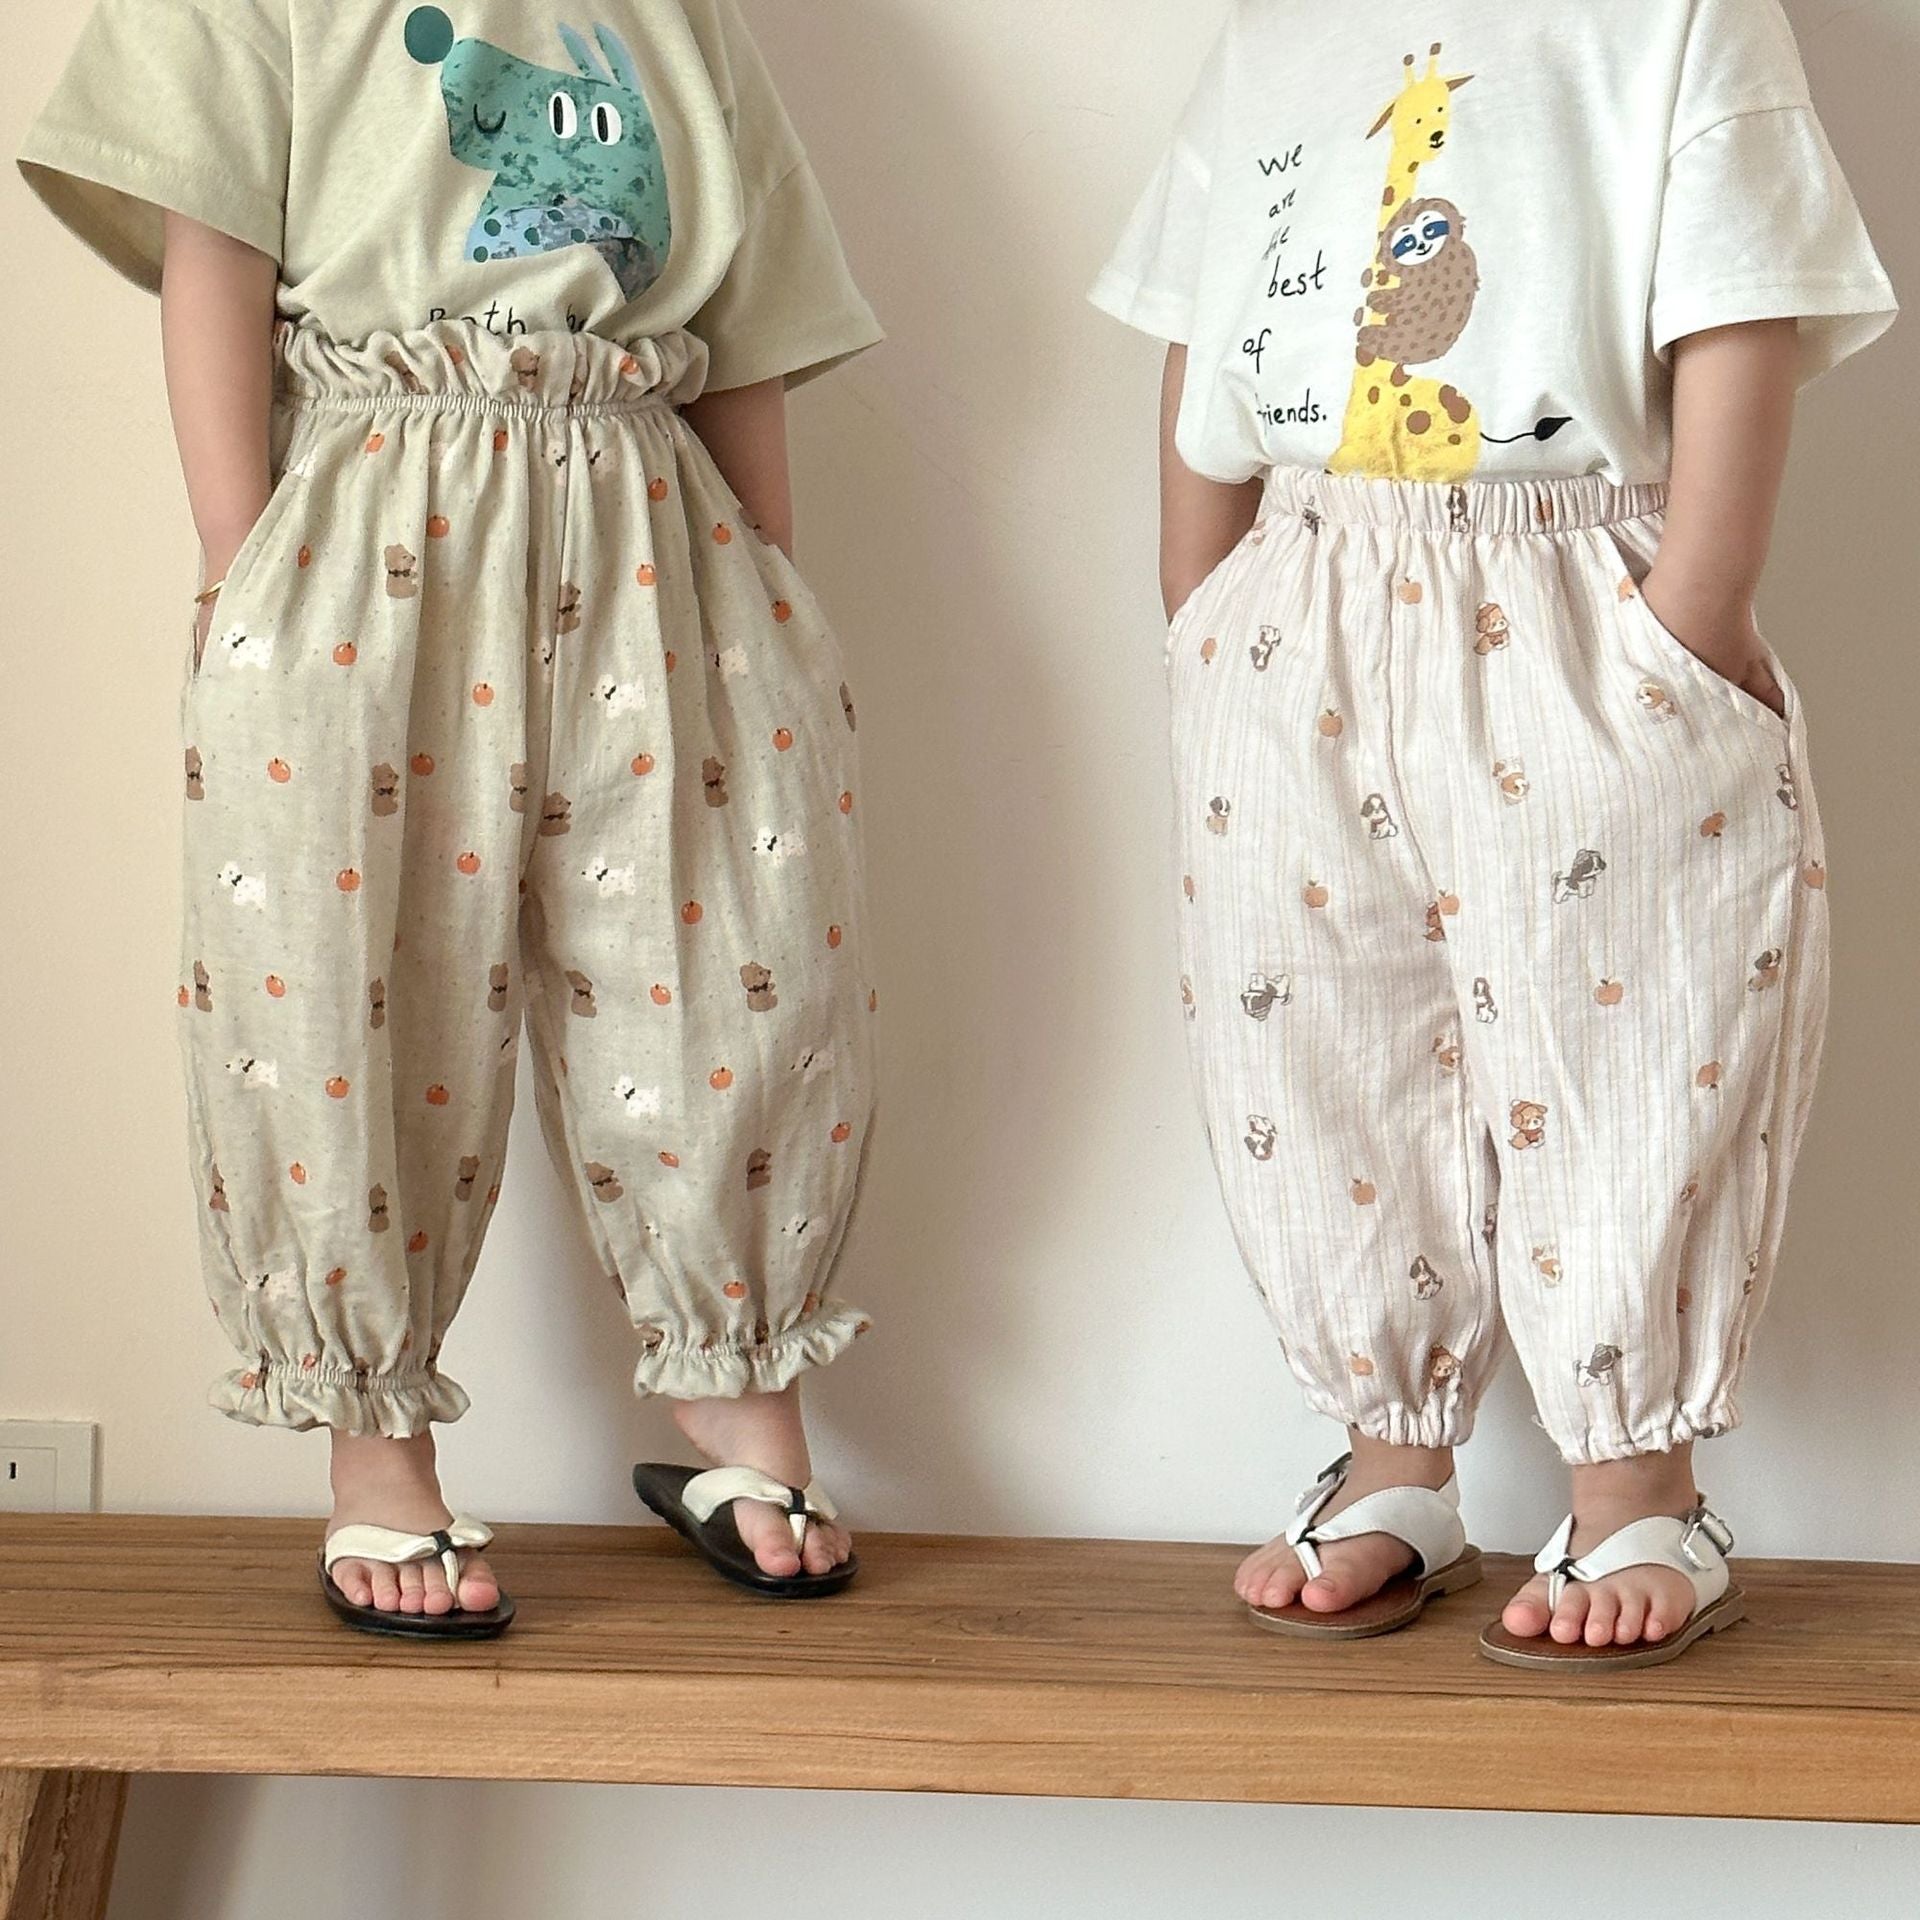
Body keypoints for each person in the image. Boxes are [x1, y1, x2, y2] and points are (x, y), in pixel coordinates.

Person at [21, 0, 884, 1634]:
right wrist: (241, 569)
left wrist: (773, 582)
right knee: (349, 979)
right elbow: (213, 253)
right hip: (367, 516)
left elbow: (747, 309)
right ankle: (376, 1444)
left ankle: (737, 1391)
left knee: (726, 953)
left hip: (654, 511)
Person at [1092, 0, 1895, 1668]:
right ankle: (1395, 1455)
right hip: (1297, 596)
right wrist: (1200, 603)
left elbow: (1739, 309)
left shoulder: (1679, 18)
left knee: (1637, 1028)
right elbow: (1197, 318)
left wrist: (1688, 619)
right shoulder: (1278, 32)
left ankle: (1639, 1489)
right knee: (1316, 1037)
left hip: (1577, 595)